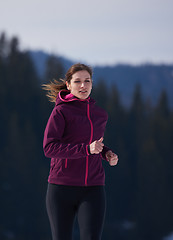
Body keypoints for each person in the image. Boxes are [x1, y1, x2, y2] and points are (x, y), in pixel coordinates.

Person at [42, 63, 118, 240]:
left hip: (93, 188)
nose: (83, 85)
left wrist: (106, 153)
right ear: (68, 85)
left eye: (87, 81)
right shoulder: (60, 112)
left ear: (92, 84)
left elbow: (95, 146)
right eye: (77, 81)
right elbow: (49, 147)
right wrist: (87, 149)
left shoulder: (100, 115)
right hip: (61, 188)